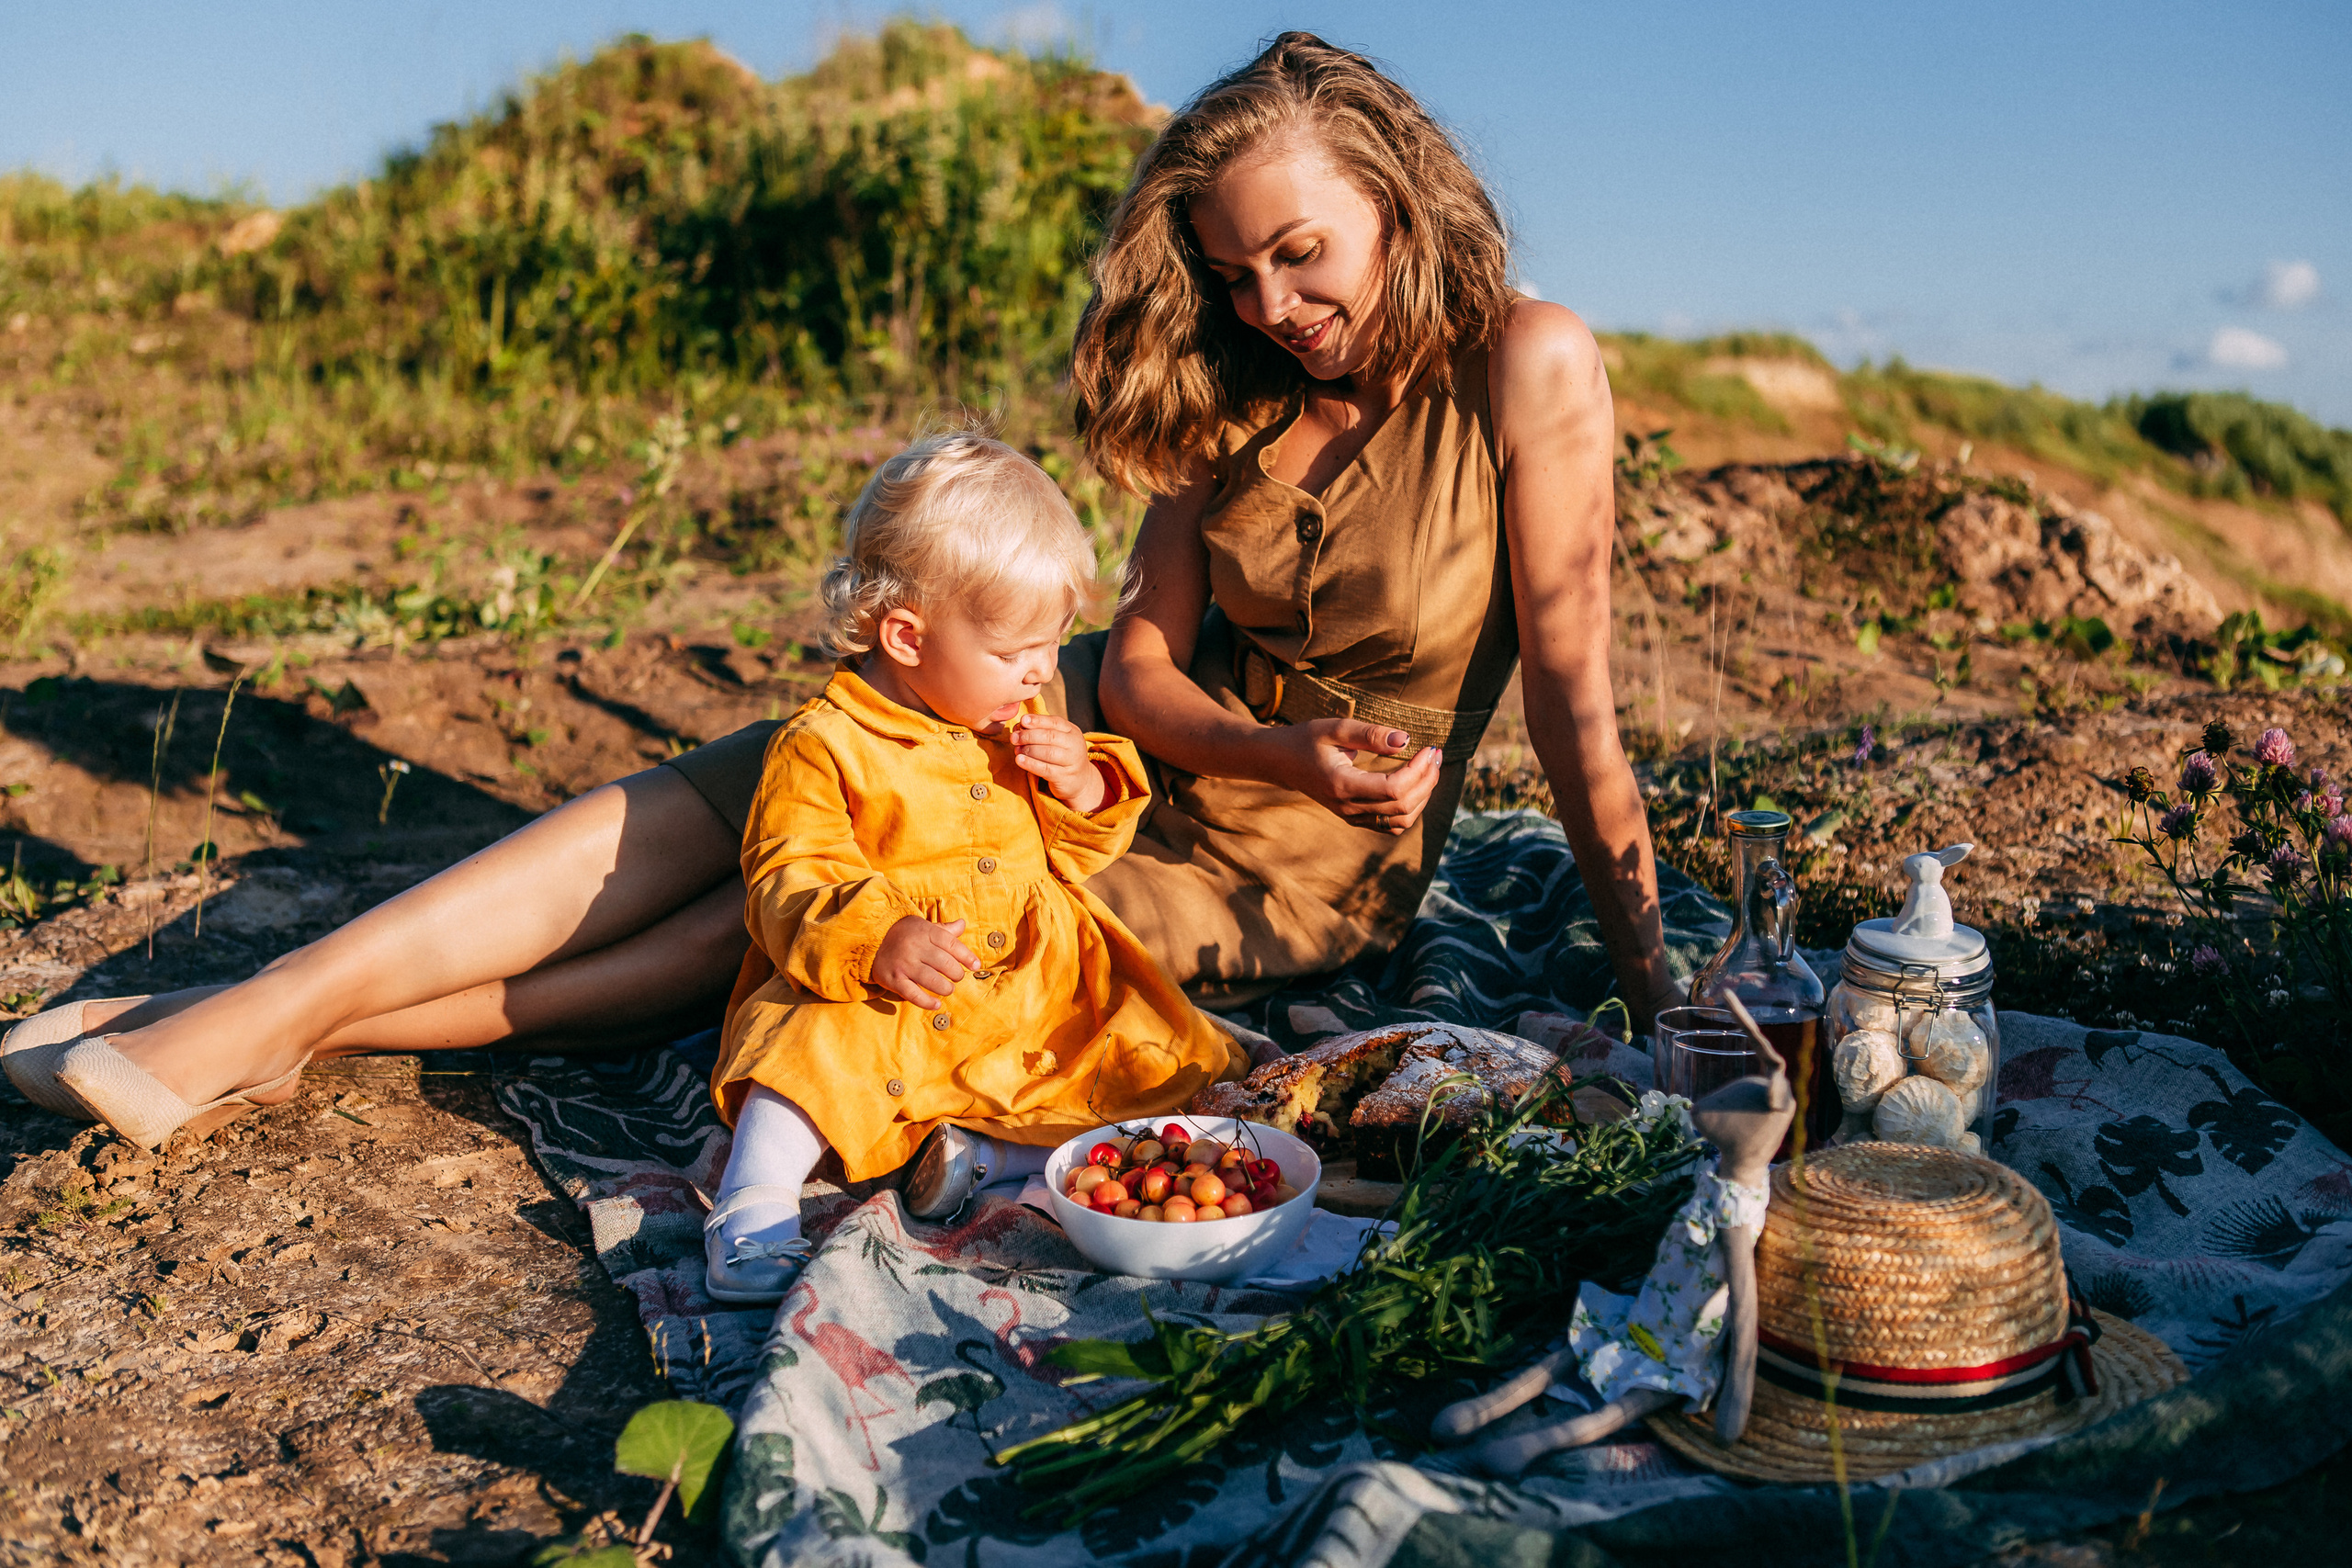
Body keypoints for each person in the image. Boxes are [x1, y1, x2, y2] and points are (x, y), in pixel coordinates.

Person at [6, 33, 1675, 1169]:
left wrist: (1667, 1002)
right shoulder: (1227, 377)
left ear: (1396, 188)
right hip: (1086, 724)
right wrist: (1226, 738)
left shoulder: (1526, 364)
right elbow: (1151, 662)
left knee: (828, 911)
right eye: (1238, 273)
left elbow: (1571, 706)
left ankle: (273, 1027)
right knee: (735, 786)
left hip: (1276, 875)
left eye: (1303, 253)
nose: (1276, 303)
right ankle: (256, 1014)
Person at [698, 432, 1243, 1303]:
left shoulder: (1010, 720)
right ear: (907, 637)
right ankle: (755, 1200)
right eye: (1016, 651)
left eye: (1053, 643)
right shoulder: (825, 745)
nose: (1038, 673)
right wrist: (877, 938)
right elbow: (785, 876)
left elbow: (1081, 852)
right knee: (807, 1043)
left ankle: (983, 1157)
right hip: (898, 997)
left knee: (1154, 1066)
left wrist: (1081, 780)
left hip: (1034, 988)